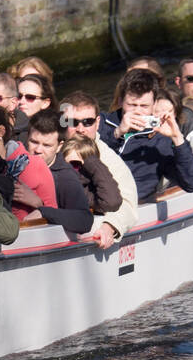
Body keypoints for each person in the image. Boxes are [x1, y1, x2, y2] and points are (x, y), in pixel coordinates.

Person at [100, 68, 193, 201]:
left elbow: (192, 184)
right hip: (94, 205)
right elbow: (87, 157)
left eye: (144, 106)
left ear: (154, 105)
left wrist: (177, 139)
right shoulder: (100, 123)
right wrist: (117, 133)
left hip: (136, 207)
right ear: (120, 101)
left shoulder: (161, 140)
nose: (137, 111)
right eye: (131, 105)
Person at [60, 90, 140, 249]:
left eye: (87, 122)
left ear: (97, 123)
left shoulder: (109, 159)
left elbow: (129, 205)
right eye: (73, 122)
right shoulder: (48, 148)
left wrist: (109, 227)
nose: (81, 129)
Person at [0, 103, 56, 221]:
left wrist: (38, 203)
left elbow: (55, 215)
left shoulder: (33, 164)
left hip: (29, 236)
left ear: (0, 132)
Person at [21, 111, 94, 237]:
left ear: (60, 146)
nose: (38, 150)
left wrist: (44, 212)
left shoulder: (65, 177)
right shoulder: (14, 164)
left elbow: (85, 220)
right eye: (34, 142)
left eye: (47, 145)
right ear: (27, 137)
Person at [59, 133, 121, 215]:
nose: (80, 170)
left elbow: (112, 202)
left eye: (87, 167)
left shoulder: (90, 191)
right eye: (74, 164)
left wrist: (93, 163)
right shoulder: (56, 182)